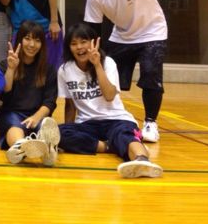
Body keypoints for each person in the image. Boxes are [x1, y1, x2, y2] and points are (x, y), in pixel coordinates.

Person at [57, 23, 163, 179]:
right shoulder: (65, 70)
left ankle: (142, 161)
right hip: (87, 124)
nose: (79, 47)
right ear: (69, 48)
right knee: (59, 132)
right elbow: (70, 105)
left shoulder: (108, 63)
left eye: (83, 42)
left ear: (93, 42)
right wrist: (68, 131)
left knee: (125, 135)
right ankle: (109, 146)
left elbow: (109, 95)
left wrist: (97, 65)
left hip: (116, 120)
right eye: (74, 44)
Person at [84, 0, 167, 143]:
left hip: (152, 32)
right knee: (107, 75)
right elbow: (93, 30)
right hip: (122, 36)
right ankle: (109, 116)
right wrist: (94, 56)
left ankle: (150, 123)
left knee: (151, 73)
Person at [0, 21, 59, 166]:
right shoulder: (5, 64)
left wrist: (36, 118)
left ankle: (47, 149)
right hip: (12, 113)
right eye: (27, 38)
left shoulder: (49, 69)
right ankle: (21, 146)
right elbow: (3, 93)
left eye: (37, 40)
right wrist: (11, 69)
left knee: (45, 126)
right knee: (14, 126)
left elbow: (50, 101)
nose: (32, 44)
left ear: (42, 44)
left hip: (38, 115)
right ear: (19, 40)